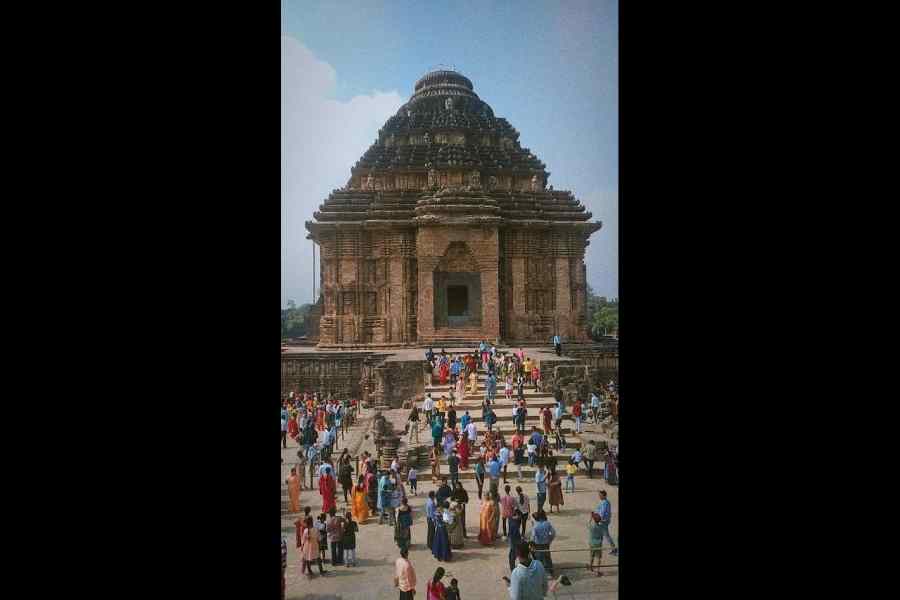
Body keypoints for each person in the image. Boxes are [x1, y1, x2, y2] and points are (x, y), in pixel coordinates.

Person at [530, 510, 556, 575]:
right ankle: (551, 571)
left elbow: (533, 536)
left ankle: (540, 572)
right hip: (546, 543)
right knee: (547, 557)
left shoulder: (535, 526)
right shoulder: (547, 523)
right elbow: (553, 533)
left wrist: (532, 544)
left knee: (539, 558)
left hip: (538, 544)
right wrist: (550, 539)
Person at [595, 490, 618, 555]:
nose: (599, 496)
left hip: (603, 521)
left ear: (604, 496)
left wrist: (599, 519)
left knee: (606, 535)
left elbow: (602, 512)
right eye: (599, 495)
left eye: (600, 495)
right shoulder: (603, 501)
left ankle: (614, 548)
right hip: (603, 520)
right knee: (600, 534)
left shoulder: (605, 503)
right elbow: (598, 510)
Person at [588, 512, 605, 576]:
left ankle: (591, 567)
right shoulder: (601, 527)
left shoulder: (592, 527)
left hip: (592, 543)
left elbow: (589, 523)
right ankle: (598, 571)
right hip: (598, 544)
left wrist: (591, 517)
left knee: (591, 556)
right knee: (598, 558)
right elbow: (602, 536)